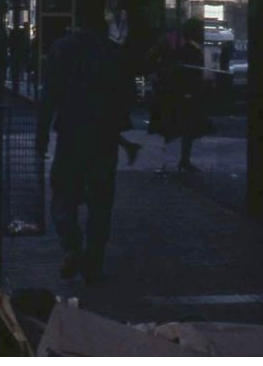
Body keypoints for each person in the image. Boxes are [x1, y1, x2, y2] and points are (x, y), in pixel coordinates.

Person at [37, 14, 136, 283]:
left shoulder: (61, 49)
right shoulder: (114, 53)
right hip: (103, 139)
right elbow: (127, 98)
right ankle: (93, 264)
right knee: (101, 204)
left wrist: (41, 134)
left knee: (62, 196)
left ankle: (71, 244)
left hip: (70, 135)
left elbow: (49, 94)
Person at [148, 19, 208, 172]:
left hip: (179, 93)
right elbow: (192, 74)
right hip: (183, 93)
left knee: (179, 128)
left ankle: (176, 161)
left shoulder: (183, 48)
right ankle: (180, 161)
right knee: (183, 127)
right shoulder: (190, 50)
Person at [8, 25, 31, 95]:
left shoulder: (15, 38)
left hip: (17, 54)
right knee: (19, 66)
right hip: (20, 55)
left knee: (16, 65)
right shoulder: (25, 38)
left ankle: (16, 78)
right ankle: (19, 78)